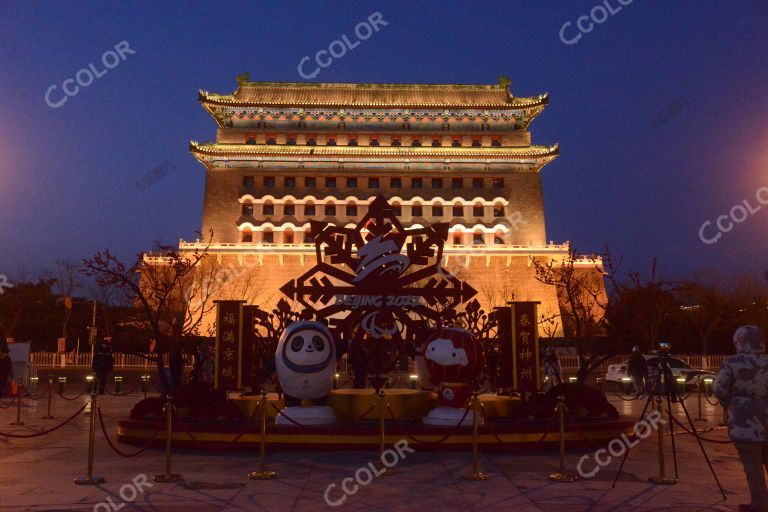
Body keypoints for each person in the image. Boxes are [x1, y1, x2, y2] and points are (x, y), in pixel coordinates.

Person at [714, 325, 768, 512]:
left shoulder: (732, 363)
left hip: (745, 426)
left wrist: (731, 405)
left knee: (752, 466)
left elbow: (719, 389)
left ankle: (760, 504)